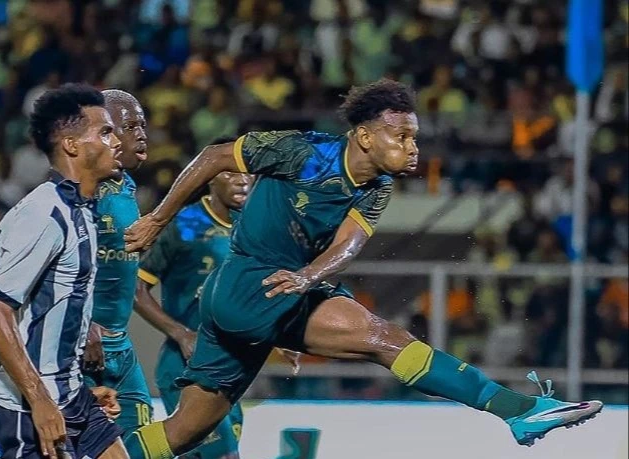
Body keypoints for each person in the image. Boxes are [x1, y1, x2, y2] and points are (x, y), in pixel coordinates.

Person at [121, 79, 603, 458]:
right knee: (386, 340)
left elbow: (349, 244)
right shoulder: (303, 151)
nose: (413, 147)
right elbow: (213, 156)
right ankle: (516, 410)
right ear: (366, 136)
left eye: (414, 136)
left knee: (183, 433)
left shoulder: (377, 188)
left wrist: (309, 277)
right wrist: (159, 219)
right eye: (402, 136)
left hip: (268, 294)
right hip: (252, 285)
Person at [0, 83, 129, 459]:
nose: (118, 141)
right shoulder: (44, 214)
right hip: (28, 406)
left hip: (71, 394)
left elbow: (53, 296)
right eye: (106, 132)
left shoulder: (80, 209)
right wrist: (40, 400)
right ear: (72, 145)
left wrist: (85, 333)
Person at [134, 137, 253, 459]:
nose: (243, 180)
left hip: (233, 368)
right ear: (211, 176)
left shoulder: (252, 227)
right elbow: (137, 288)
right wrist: (181, 333)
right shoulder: (185, 224)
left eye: (248, 173)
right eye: (231, 172)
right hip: (188, 367)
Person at [81, 89, 154, 443]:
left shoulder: (126, 185)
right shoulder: (82, 191)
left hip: (120, 346)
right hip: (80, 347)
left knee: (141, 439)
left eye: (143, 125)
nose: (141, 134)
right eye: (130, 126)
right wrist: (84, 325)